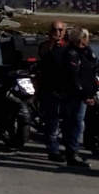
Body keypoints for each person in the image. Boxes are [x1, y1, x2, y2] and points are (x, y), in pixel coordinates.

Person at [55, 28, 97, 168]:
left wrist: (91, 91)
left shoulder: (86, 51)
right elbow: (73, 76)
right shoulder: (70, 53)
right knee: (76, 124)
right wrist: (84, 95)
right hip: (74, 94)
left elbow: (92, 67)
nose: (88, 39)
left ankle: (81, 148)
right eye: (86, 37)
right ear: (81, 38)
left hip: (87, 91)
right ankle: (72, 154)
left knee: (82, 122)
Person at [38, 20, 68, 163]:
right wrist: (52, 42)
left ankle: (70, 150)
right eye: (55, 30)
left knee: (69, 122)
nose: (58, 33)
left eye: (60, 30)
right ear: (50, 32)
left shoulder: (69, 46)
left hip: (66, 89)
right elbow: (43, 53)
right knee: (52, 122)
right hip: (50, 88)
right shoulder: (45, 45)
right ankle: (53, 150)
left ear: (65, 31)